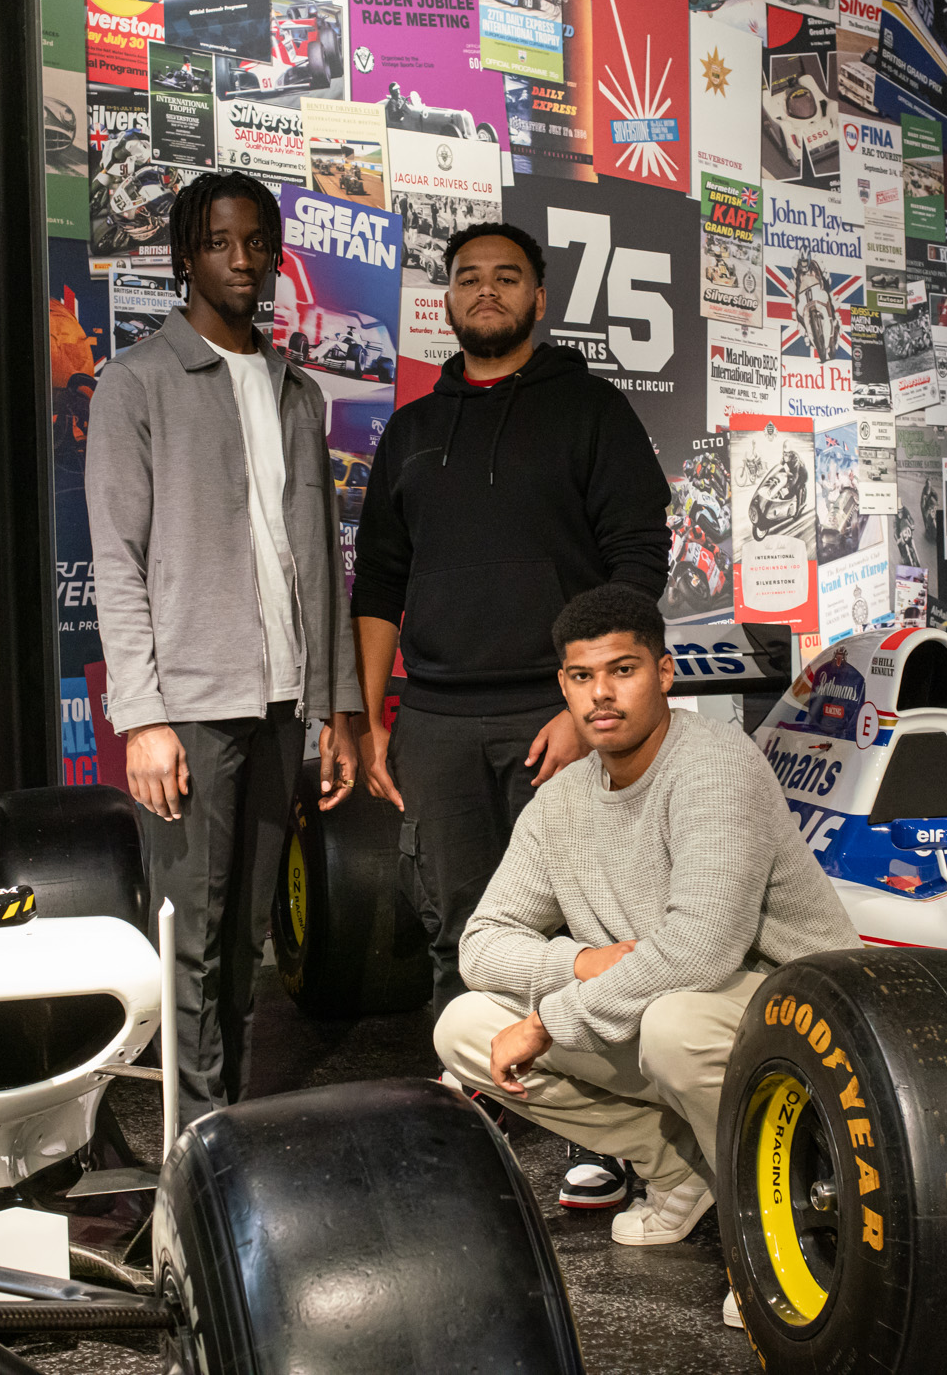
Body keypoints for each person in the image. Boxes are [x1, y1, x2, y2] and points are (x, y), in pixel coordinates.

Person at [434, 585, 861, 1328]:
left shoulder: (713, 765)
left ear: (664, 673)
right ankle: (682, 1173)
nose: (600, 693)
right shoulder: (562, 802)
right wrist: (578, 965)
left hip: (801, 1011)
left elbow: (700, 948)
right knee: (464, 1026)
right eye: (579, 676)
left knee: (672, 1025)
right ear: (563, 686)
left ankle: (769, 1228)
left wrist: (546, 1021)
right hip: (659, 997)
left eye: (621, 669)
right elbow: (481, 942)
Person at [351, 220, 670, 1206]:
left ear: (538, 298)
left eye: (506, 278)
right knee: (460, 927)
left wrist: (590, 706)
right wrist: (369, 718)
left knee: (589, 926)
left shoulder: (592, 413)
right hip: (438, 716)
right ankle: (471, 1113)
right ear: (445, 301)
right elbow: (379, 584)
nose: (485, 293)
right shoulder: (412, 430)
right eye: (466, 280)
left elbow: (637, 567)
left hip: (557, 711)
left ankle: (609, 1136)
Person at [85, 171, 363, 1129]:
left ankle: (231, 1117)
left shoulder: (297, 391)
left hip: (285, 702)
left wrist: (328, 706)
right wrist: (144, 715)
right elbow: (115, 561)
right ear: (185, 257)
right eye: (220, 243)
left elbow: (321, 564)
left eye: (256, 244)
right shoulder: (136, 382)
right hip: (193, 707)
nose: (242, 261)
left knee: (246, 931)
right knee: (191, 935)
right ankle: (195, 1133)